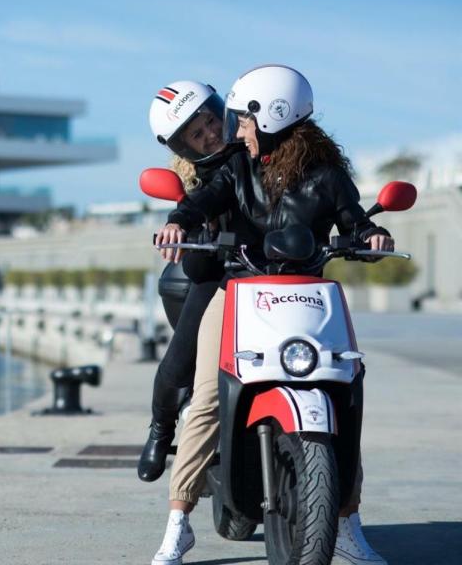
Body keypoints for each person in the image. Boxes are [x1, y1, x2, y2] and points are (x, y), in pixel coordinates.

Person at [150, 65, 391, 565]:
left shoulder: (327, 176)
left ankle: (347, 522)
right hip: (242, 288)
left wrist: (372, 237)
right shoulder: (237, 167)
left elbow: (356, 219)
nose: (235, 129)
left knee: (344, 393)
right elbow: (201, 201)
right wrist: (177, 221)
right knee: (208, 396)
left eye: (243, 121)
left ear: (271, 118)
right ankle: (179, 521)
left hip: (307, 291)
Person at [140, 81, 236, 482]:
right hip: (217, 277)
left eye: (211, 121)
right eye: (197, 134)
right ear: (183, 148)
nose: (210, 134)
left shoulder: (262, 155)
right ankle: (161, 430)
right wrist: (183, 227)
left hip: (273, 276)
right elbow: (195, 209)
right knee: (177, 365)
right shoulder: (196, 182)